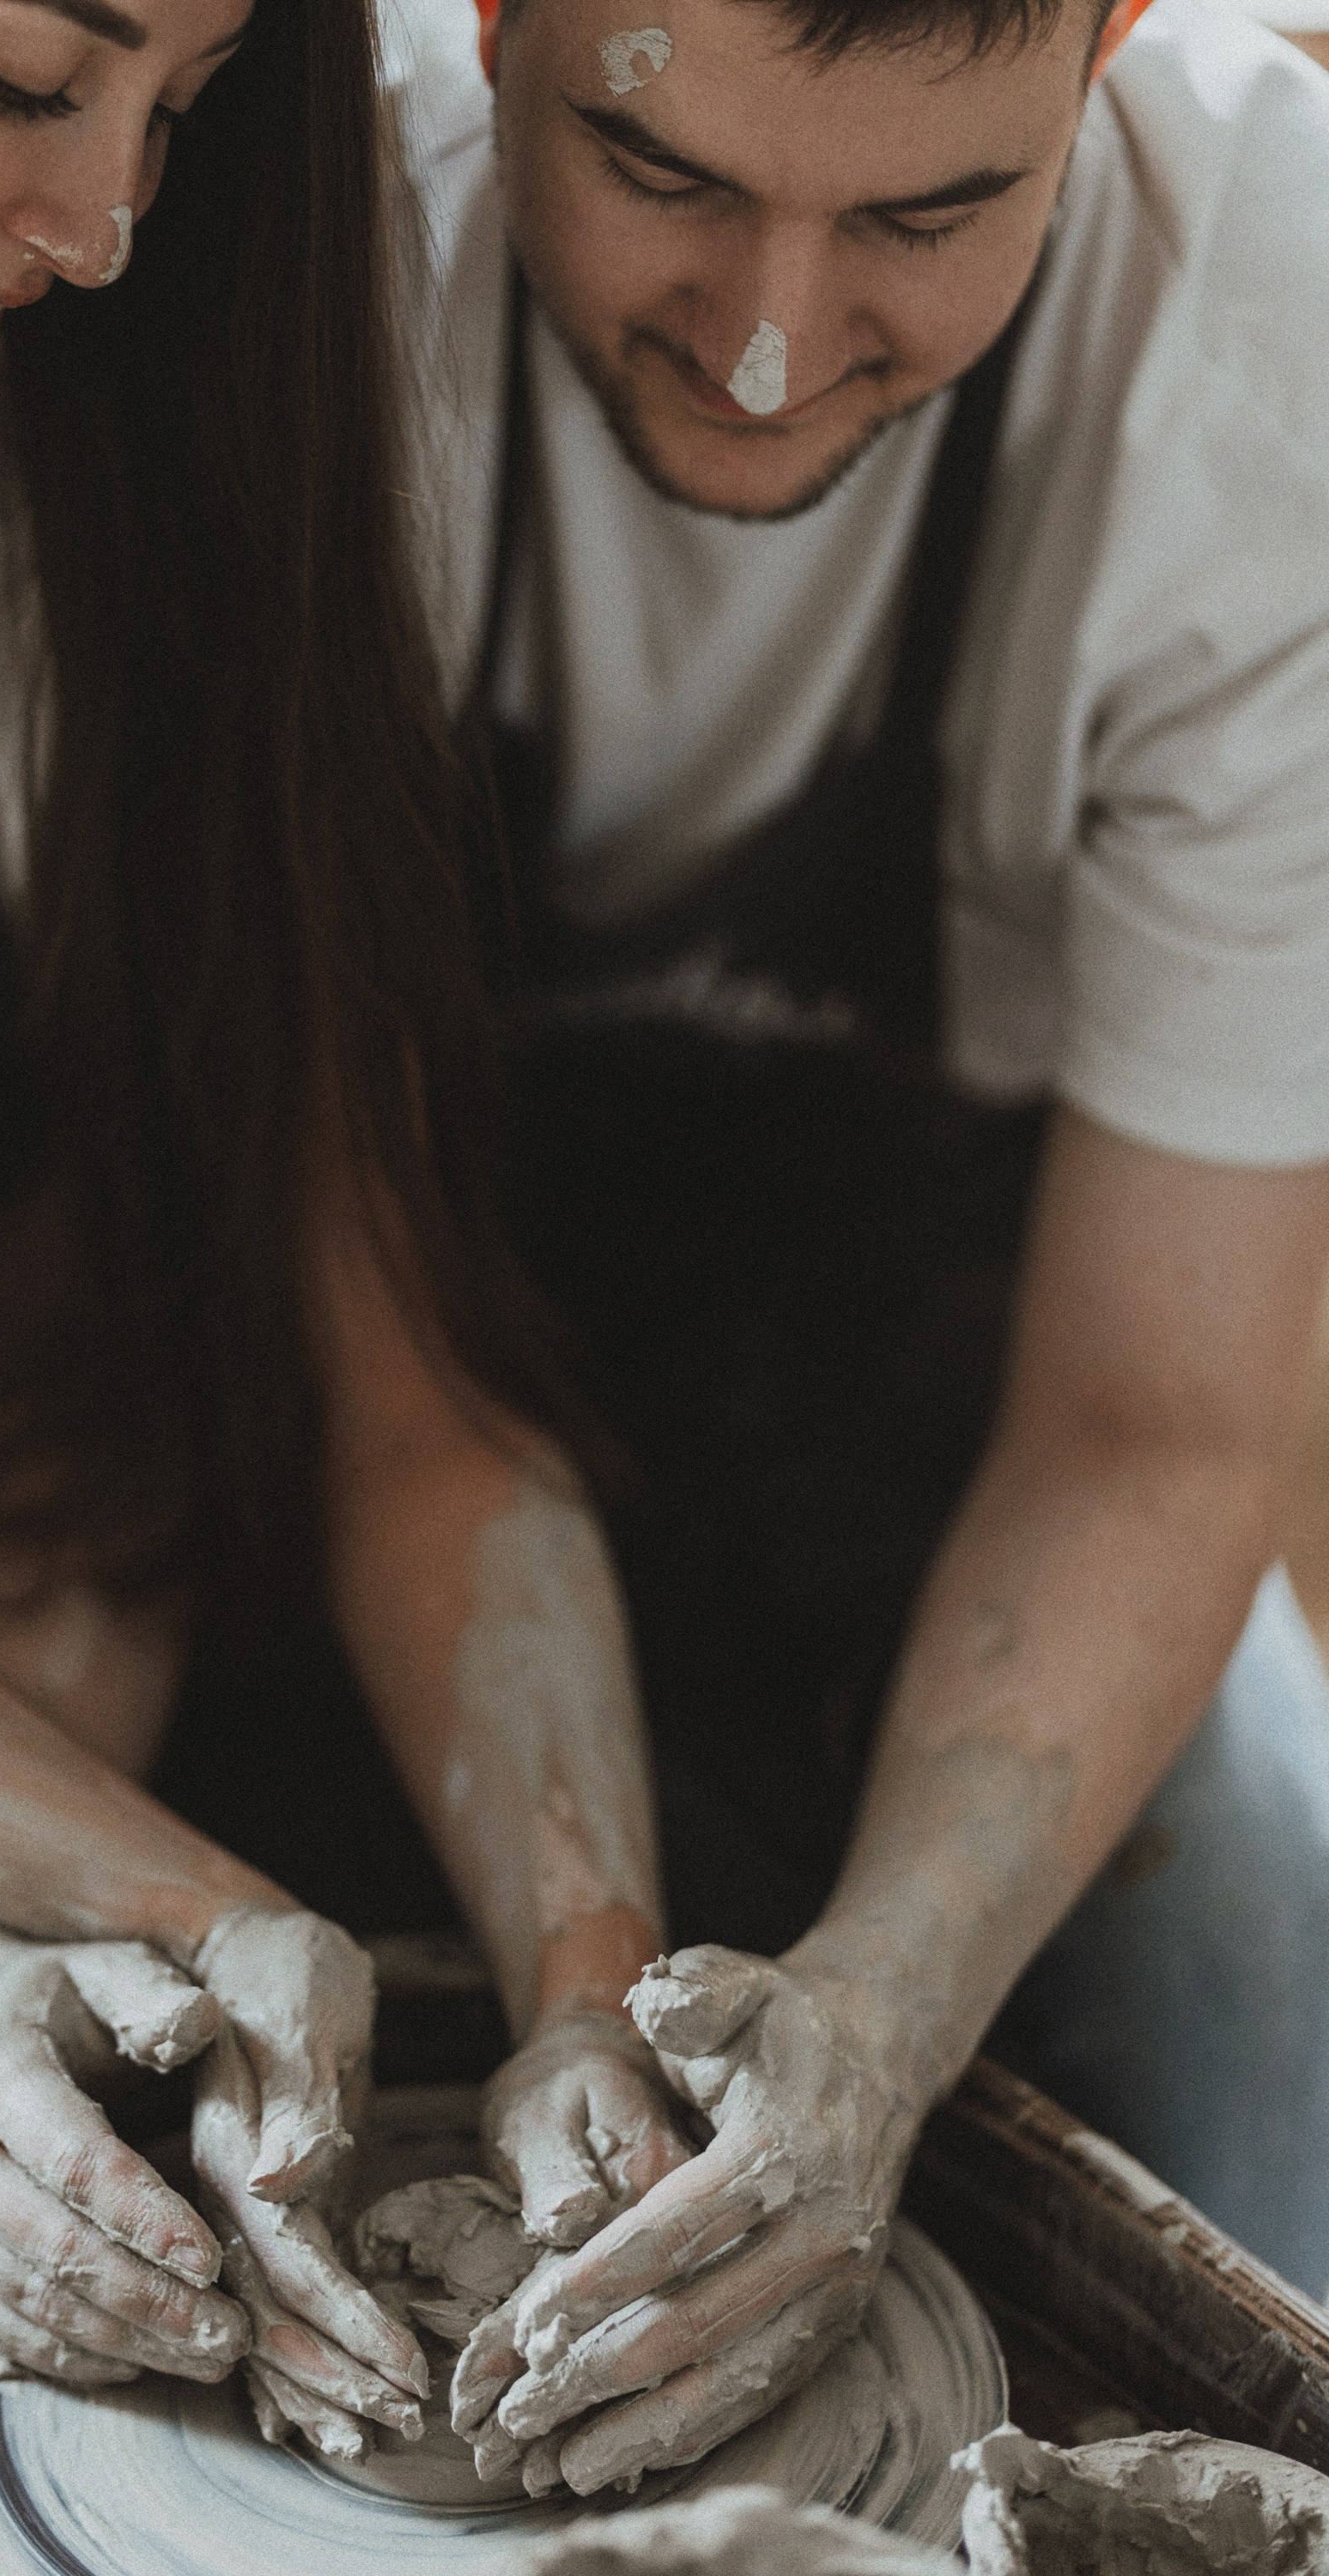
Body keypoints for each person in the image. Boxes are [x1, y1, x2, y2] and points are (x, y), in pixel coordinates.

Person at [0, 0, 687, 2547]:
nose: (107, 229)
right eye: (21, 75)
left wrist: (585, 2000)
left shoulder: (63, 513)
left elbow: (137, 1346)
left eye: (179, 122)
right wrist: (168, 1896)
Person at [359, 0, 1329, 2502]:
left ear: (1118, 34)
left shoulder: (1270, 334)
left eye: (928, 216)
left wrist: (877, 2030)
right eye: (656, 166)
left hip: (975, 1449)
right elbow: (360, 1349)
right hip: (361, 1446)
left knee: (1277, 2203)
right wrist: (583, 1966)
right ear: (491, 17)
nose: (776, 345)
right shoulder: (312, 254)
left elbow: (1165, 1416)